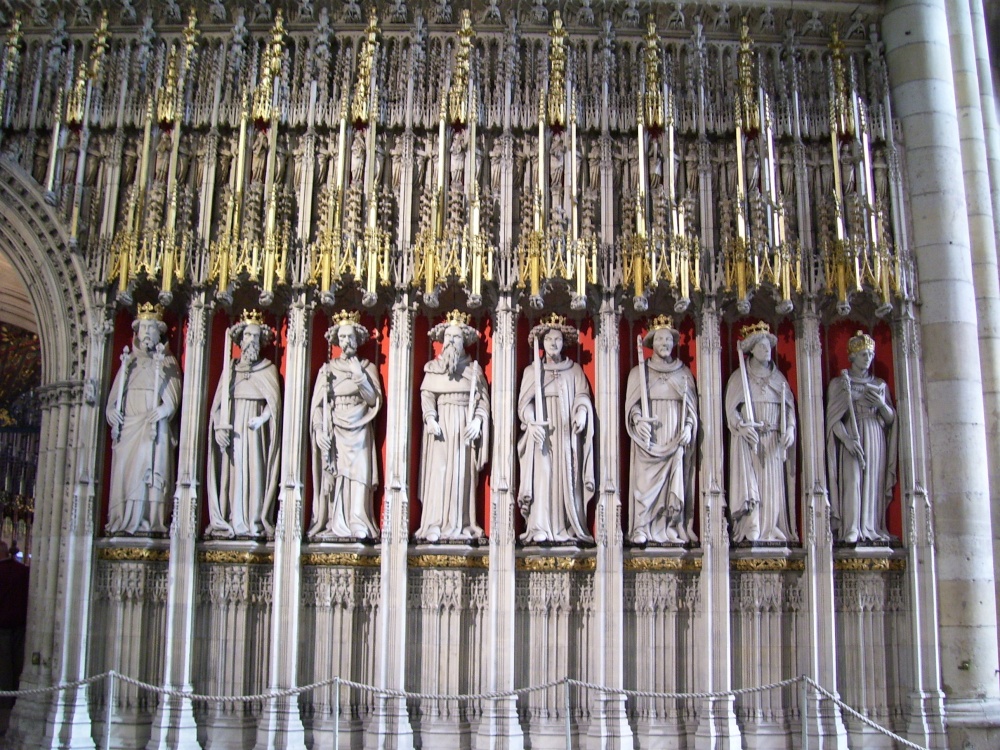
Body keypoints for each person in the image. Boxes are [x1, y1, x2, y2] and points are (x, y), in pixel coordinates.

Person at [517, 314, 595, 544]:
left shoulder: (574, 371)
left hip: (565, 433)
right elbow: (524, 404)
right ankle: (539, 525)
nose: (553, 344)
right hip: (541, 434)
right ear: (542, 344)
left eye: (558, 340)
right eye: (549, 339)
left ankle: (567, 526)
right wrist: (531, 422)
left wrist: (581, 412)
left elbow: (583, 396)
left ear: (564, 343)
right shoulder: (532, 372)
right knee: (543, 474)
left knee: (566, 477)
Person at [105, 303, 182, 535]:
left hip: (153, 428)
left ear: (160, 332)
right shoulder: (129, 364)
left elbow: (173, 396)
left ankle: (151, 519)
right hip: (130, 428)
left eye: (152, 328)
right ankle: (124, 520)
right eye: (143, 328)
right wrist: (111, 412)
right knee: (128, 477)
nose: (147, 332)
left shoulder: (167, 363)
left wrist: (166, 408)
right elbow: (113, 400)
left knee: (151, 476)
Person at [206, 311, 282, 538]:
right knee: (235, 474)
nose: (252, 341)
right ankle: (235, 518)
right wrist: (219, 427)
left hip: (256, 432)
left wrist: (263, 418)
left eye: (256, 337)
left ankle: (255, 521)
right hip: (235, 429)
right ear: (240, 339)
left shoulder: (268, 369)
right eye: (248, 335)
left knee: (256, 471)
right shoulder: (230, 371)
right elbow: (218, 405)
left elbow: (274, 404)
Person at [308, 311, 383, 541]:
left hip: (360, 424)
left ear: (358, 339)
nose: (347, 342)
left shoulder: (366, 367)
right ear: (336, 340)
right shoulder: (328, 370)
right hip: (336, 425)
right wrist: (320, 430)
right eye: (342, 338)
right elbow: (318, 406)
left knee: (359, 473)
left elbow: (373, 400)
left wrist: (359, 376)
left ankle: (358, 518)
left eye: (351, 337)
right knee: (338, 473)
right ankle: (336, 521)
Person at [417, 311, 490, 543]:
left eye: (456, 337)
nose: (450, 341)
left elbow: (483, 402)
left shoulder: (474, 370)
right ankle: (434, 523)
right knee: (438, 474)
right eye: (448, 336)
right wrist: (429, 417)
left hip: (463, 427)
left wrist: (478, 421)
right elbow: (427, 395)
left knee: (460, 476)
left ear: (464, 342)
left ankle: (459, 524)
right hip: (439, 429)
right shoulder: (432, 368)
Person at [625, 316, 698, 544]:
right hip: (649, 439)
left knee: (674, 483)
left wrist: (688, 427)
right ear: (651, 343)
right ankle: (642, 527)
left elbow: (691, 409)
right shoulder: (640, 372)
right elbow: (631, 407)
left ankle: (671, 525)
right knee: (644, 483)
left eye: (668, 339)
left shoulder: (683, 373)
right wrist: (638, 420)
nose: (665, 343)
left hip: (674, 437)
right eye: (660, 339)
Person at [724, 321, 797, 543]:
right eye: (762, 347)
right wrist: (741, 426)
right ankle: (752, 524)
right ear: (751, 349)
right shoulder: (740, 377)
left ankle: (772, 525)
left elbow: (789, 409)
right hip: (750, 440)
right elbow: (731, 411)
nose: (768, 351)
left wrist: (790, 429)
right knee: (752, 483)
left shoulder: (778, 379)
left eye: (769, 347)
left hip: (774, 438)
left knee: (773, 485)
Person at [826, 331, 897, 543]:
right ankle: (851, 527)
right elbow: (832, 419)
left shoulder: (880, 384)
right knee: (853, 479)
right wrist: (847, 440)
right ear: (852, 356)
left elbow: (891, 419)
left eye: (870, 354)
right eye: (863, 354)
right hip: (851, 436)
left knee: (873, 480)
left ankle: (871, 527)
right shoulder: (840, 384)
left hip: (875, 433)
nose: (868, 358)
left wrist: (881, 405)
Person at [0, 541, 29, 723]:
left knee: (3, 670)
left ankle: (4, 712)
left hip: (2, 627)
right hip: (21, 625)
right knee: (18, 666)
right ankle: (17, 703)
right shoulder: (23, 571)